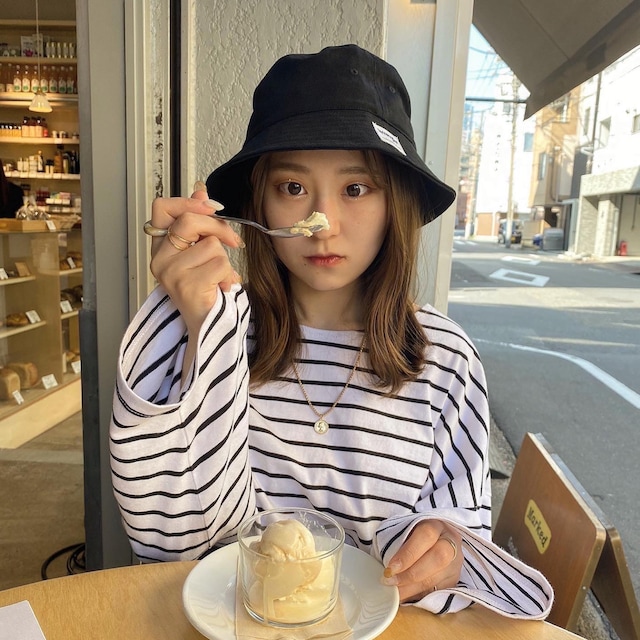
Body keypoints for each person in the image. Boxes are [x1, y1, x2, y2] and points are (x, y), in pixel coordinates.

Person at [111, 45, 552, 617]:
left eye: (356, 188)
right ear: (259, 202)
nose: (323, 224)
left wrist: (446, 552)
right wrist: (197, 324)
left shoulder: (445, 359)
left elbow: (461, 538)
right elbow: (169, 542)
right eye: (293, 188)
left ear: (395, 204)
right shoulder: (217, 329)